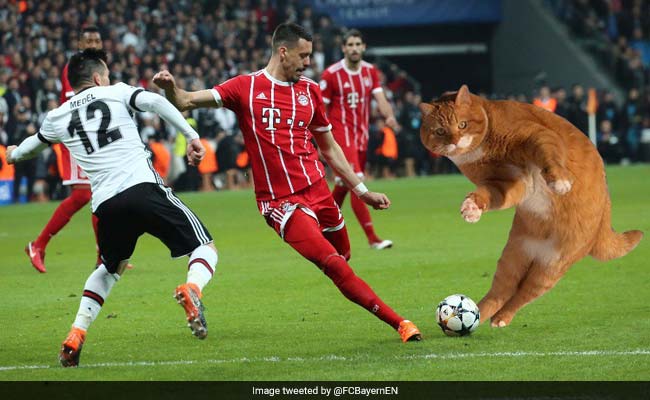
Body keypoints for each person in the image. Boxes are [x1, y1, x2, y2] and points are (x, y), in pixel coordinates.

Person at [153, 22, 421, 343]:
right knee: (336, 266)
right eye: (303, 55)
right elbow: (184, 101)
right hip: (282, 204)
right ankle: (401, 324)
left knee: (344, 255)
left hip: (320, 192)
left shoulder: (310, 91)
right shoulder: (244, 88)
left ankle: (358, 285)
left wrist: (362, 191)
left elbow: (330, 148)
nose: (308, 62)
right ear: (283, 52)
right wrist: (170, 88)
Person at [7, 49, 218, 367]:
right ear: (97, 78)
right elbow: (157, 102)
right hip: (142, 188)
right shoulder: (116, 92)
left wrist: (11, 155)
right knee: (205, 246)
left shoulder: (58, 116)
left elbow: (30, 146)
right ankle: (192, 288)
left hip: (105, 204)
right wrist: (191, 135)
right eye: (105, 75)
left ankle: (76, 334)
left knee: (108, 269)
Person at [25, 26, 107, 273]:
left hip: (94, 136)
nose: (93, 43)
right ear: (80, 43)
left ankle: (103, 255)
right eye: (88, 39)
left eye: (96, 39)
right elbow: (77, 97)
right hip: (75, 135)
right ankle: (38, 245)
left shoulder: (101, 65)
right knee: (83, 195)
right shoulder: (74, 68)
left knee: (100, 193)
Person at [319, 29, 397, 250]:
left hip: (361, 134)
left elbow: (380, 98)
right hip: (340, 136)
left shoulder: (371, 72)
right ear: (344, 48)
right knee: (358, 182)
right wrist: (319, 139)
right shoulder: (331, 75)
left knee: (344, 183)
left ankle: (321, 226)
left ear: (363, 47)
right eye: (350, 45)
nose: (354, 48)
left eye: (357, 44)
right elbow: (321, 109)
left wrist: (389, 115)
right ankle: (373, 238)